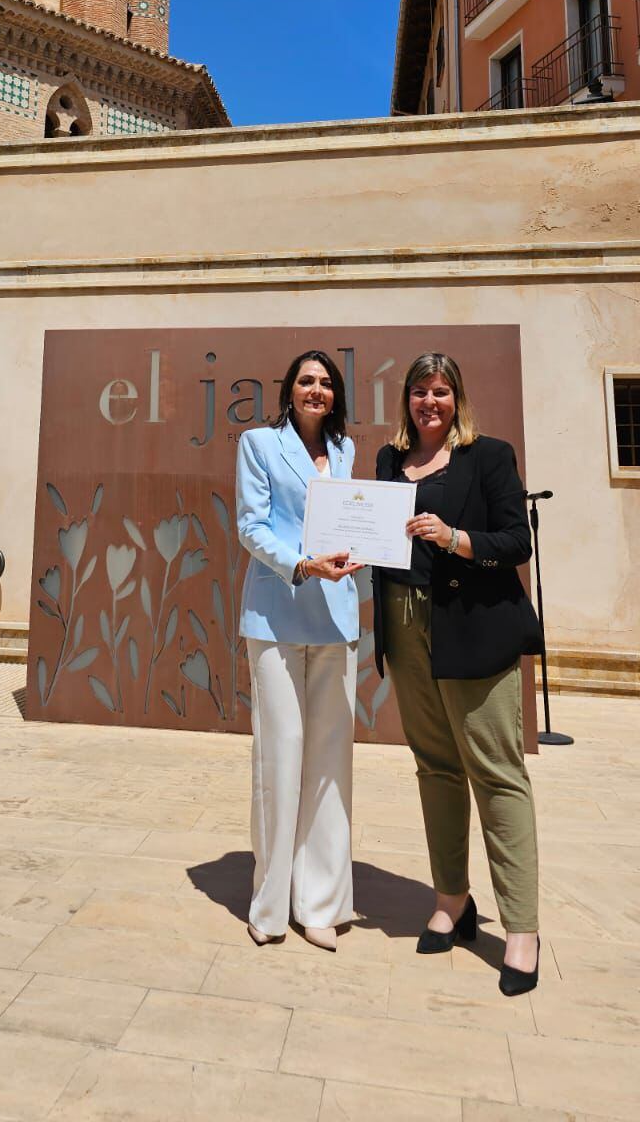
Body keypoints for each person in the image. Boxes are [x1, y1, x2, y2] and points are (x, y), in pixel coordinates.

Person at [371, 351, 544, 996]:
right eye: (420, 392)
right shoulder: (390, 461)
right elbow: (378, 536)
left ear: (457, 397)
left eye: (441, 391)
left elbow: (514, 541)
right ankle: (452, 898)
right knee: (435, 767)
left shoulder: (489, 456)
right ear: (407, 402)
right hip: (405, 625)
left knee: (497, 772)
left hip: (472, 628)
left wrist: (453, 537)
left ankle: (521, 928)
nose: (430, 403)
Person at [236, 349, 360, 951]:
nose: (317, 390)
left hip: (337, 618)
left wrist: (356, 552)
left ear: (336, 394)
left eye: (326, 383)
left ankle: (320, 904)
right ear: (289, 391)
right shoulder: (258, 443)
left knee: (330, 767)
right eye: (307, 381)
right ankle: (270, 905)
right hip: (278, 614)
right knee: (280, 760)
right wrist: (303, 564)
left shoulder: (346, 451)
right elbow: (251, 527)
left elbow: (350, 522)